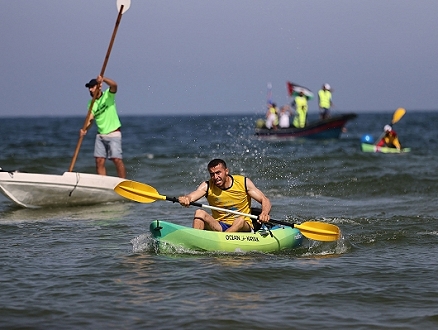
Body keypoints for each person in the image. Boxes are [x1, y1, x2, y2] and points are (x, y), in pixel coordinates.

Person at [178, 159, 271, 232]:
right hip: (220, 225)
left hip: (243, 226)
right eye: (212, 174)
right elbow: (193, 196)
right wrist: (186, 198)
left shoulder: (243, 182)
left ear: (226, 171)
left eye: (218, 173)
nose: (215, 177)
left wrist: (264, 213)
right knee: (199, 213)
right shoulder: (207, 186)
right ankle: (195, 240)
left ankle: (222, 240)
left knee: (239, 220)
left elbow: (264, 199)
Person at [80, 75, 126, 178]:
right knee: (99, 161)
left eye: (92, 87)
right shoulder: (91, 103)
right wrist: (84, 129)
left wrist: (103, 79)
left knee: (116, 159)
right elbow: (90, 119)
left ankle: (123, 182)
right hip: (100, 135)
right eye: (89, 88)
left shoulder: (108, 95)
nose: (90, 90)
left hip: (114, 133)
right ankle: (103, 183)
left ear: (99, 87)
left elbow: (114, 85)